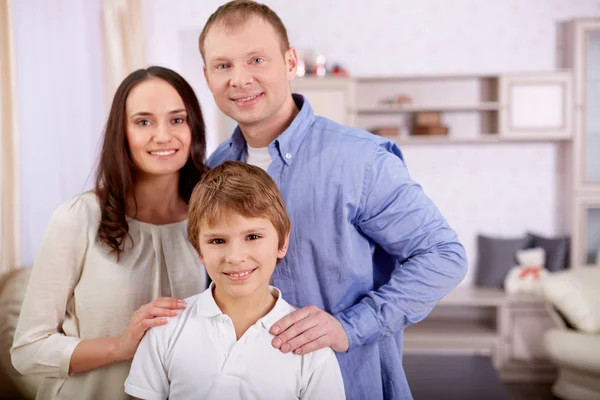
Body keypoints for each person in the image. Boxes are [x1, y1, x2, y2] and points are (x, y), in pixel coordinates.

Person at [200, 1, 468, 399]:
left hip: (348, 384)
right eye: (223, 65)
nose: (239, 79)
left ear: (290, 63)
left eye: (256, 59)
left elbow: (444, 256)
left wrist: (349, 326)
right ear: (207, 75)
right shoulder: (215, 167)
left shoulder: (360, 160)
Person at [11, 66, 209, 400]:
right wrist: (121, 346)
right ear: (122, 132)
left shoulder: (211, 220)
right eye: (143, 121)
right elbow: (27, 350)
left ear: (194, 128)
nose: (163, 135)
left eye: (177, 119)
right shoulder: (79, 218)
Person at [124, 161, 346, 400]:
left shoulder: (310, 345)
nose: (235, 257)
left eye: (252, 236)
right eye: (218, 241)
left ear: (282, 241)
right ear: (199, 249)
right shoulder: (166, 329)